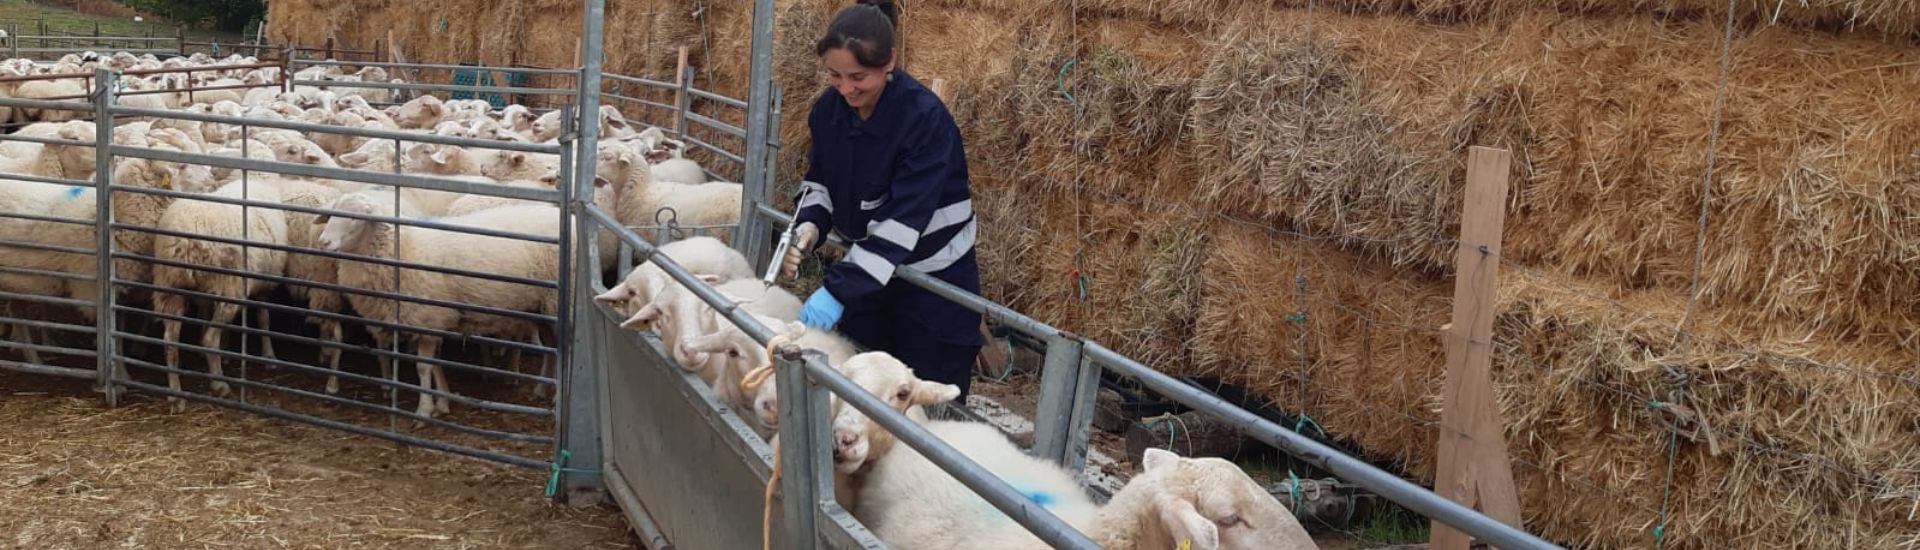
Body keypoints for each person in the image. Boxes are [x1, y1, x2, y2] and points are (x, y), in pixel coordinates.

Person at [782, 0, 984, 401]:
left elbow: (902, 221)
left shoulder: (924, 119)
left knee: (926, 403)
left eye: (859, 77)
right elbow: (820, 180)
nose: (846, 88)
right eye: (835, 75)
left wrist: (837, 290)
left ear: (889, 61)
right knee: (863, 390)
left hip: (932, 280)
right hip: (871, 274)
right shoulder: (828, 110)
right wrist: (809, 225)